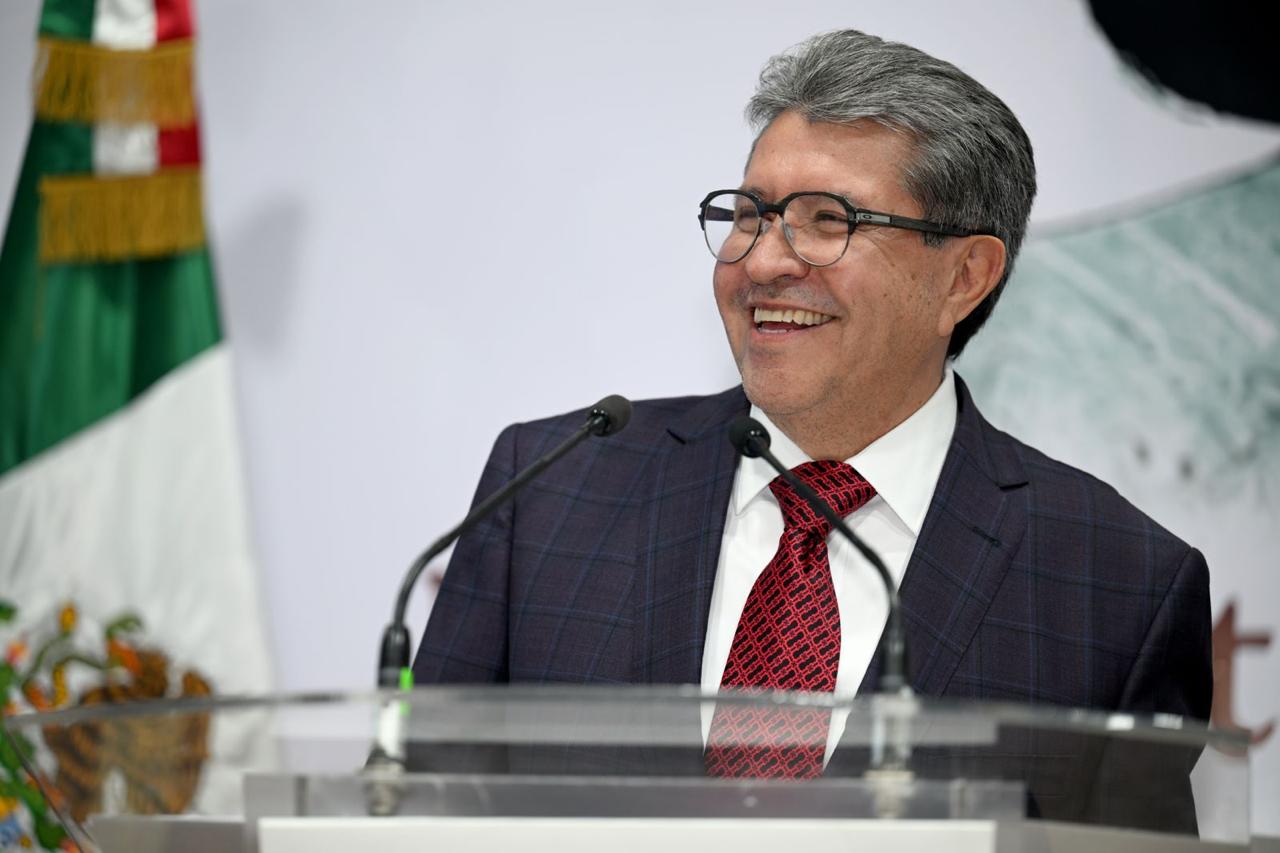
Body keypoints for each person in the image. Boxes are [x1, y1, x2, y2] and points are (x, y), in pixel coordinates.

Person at [412, 29, 1210, 738]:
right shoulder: (550, 493)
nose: (762, 261)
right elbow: (424, 807)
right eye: (751, 215)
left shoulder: (1117, 583)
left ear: (965, 275)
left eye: (829, 221)